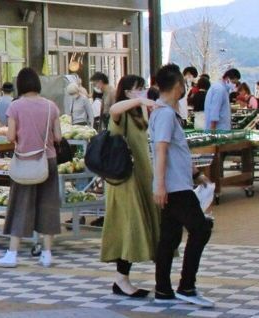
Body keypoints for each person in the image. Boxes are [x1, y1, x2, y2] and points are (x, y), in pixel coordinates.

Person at [150, 64, 214, 307]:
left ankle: (163, 289)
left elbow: (175, 151)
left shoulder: (162, 112)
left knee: (170, 236)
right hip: (174, 187)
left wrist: (196, 173)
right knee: (200, 229)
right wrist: (160, 185)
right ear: (178, 85)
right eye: (183, 85)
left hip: (175, 183)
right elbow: (161, 149)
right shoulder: (165, 113)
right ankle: (186, 286)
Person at [0, 68, 62, 268]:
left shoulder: (15, 107)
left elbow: (10, 137)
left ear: (20, 85)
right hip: (48, 160)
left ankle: (12, 254)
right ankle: (47, 254)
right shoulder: (51, 106)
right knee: (48, 204)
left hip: (24, 161)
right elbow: (58, 136)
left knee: (20, 204)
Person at [100, 75, 160, 298]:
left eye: (143, 89)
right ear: (126, 92)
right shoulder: (121, 112)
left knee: (142, 226)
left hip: (143, 176)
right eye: (137, 89)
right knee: (129, 227)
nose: (142, 92)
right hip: (125, 180)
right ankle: (121, 279)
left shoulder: (140, 114)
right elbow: (114, 108)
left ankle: (124, 279)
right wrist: (139, 101)